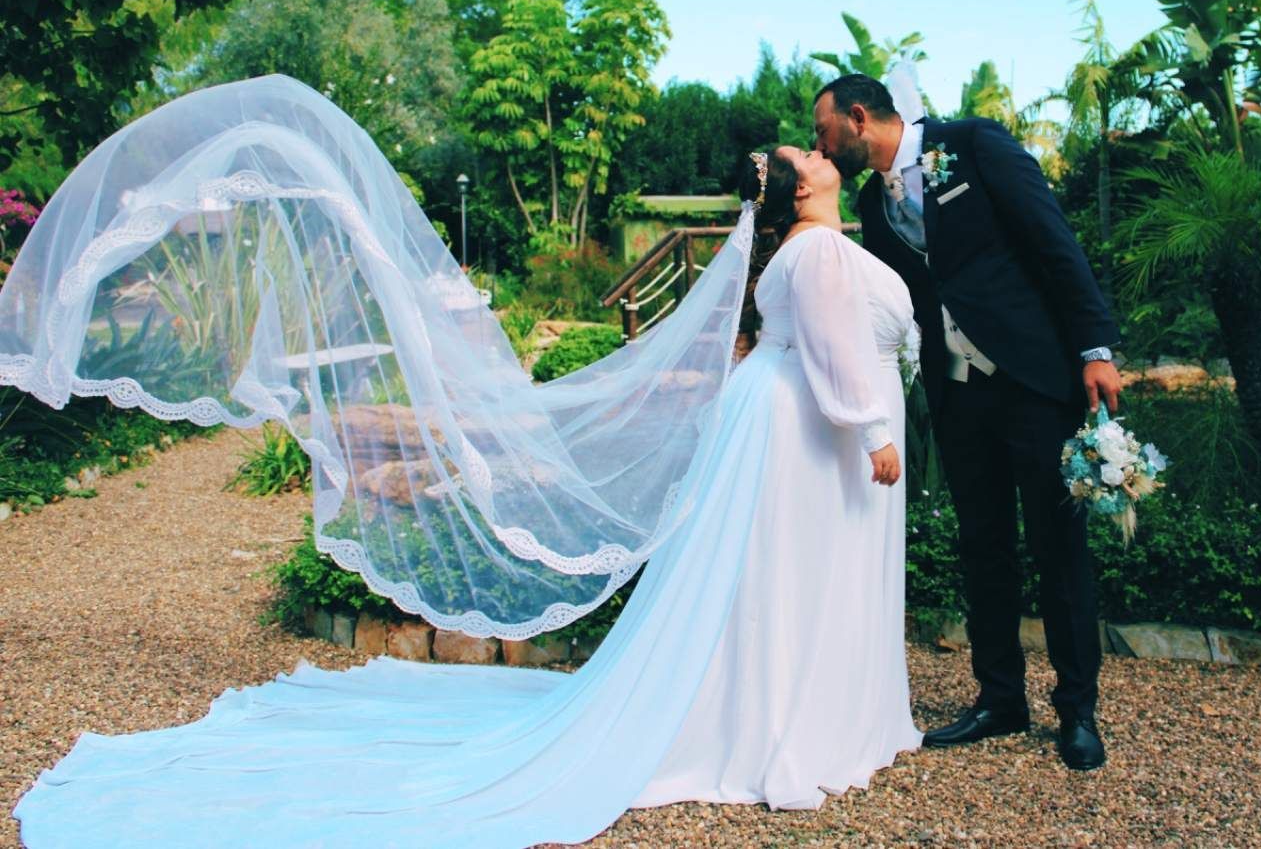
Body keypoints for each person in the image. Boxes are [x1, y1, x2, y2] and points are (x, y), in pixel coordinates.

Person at [4, 77, 920, 847]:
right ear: (802, 192)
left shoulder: (810, 251)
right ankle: (795, 721)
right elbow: (842, 357)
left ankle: (784, 709)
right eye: (811, 155)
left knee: (777, 582)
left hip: (778, 424)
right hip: (812, 426)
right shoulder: (823, 256)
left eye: (816, 144)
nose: (819, 152)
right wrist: (875, 427)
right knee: (795, 579)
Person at [812, 70, 1121, 771]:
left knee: (1057, 547)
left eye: (823, 132)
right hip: (958, 395)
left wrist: (1094, 347)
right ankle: (1000, 700)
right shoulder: (868, 199)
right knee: (984, 546)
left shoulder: (974, 145)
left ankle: (1077, 711)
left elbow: (1051, 239)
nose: (819, 148)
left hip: (1033, 379)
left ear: (859, 118)